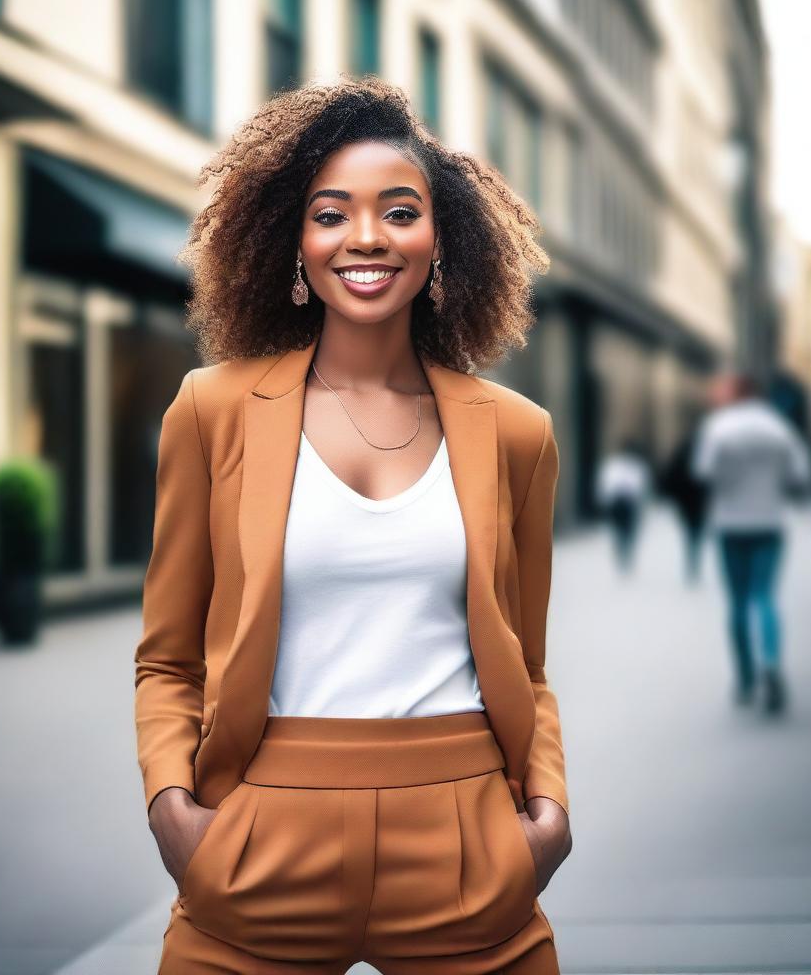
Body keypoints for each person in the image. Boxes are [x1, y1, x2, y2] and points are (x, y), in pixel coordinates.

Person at [135, 75, 572, 974]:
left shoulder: (519, 434)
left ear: (441, 243)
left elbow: (526, 662)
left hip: (465, 839)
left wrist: (549, 815)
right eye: (331, 214)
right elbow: (168, 658)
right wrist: (174, 808)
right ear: (292, 245)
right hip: (261, 837)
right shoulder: (211, 410)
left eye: (399, 211)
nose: (366, 237)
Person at [692, 373, 811, 714]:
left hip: (730, 524)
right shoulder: (778, 428)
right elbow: (800, 476)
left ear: (737, 394)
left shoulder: (719, 427)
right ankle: (771, 663)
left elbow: (704, 471)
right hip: (769, 523)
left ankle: (746, 677)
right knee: (765, 596)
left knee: (738, 601)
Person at [659, 427, 709, 583]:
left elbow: (669, 477)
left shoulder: (680, 454)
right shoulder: (703, 455)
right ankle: (694, 559)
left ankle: (691, 560)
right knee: (697, 530)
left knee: (689, 531)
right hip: (699, 500)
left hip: (684, 501)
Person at [595, 438, 652, 573]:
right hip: (619, 503)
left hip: (628, 503)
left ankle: (624, 554)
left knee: (627, 531)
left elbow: (641, 485)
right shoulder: (616, 465)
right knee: (621, 531)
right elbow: (607, 483)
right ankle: (622, 554)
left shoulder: (632, 466)